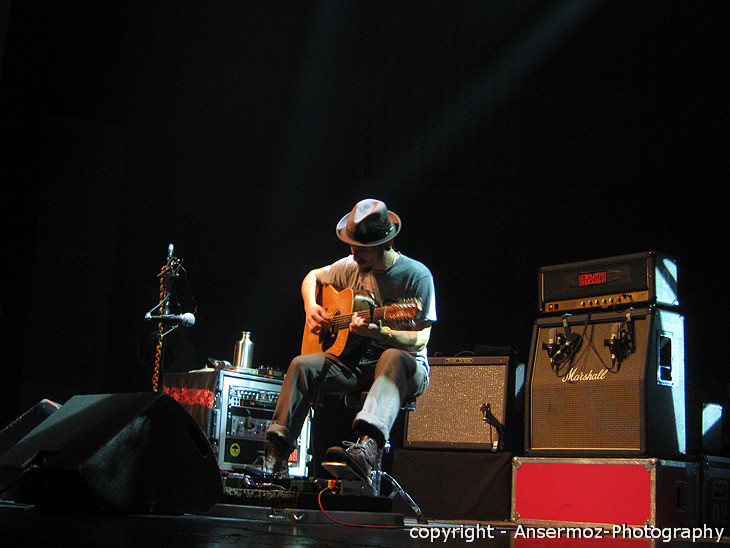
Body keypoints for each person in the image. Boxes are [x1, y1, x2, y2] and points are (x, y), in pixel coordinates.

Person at [259, 198, 437, 484]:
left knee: (393, 356)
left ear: (385, 244)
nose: (354, 254)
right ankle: (276, 454)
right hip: (357, 365)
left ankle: (368, 448)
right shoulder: (350, 267)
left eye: (362, 249)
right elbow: (312, 277)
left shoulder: (416, 277)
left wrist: (385, 334)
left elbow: (419, 340)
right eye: (352, 246)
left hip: (406, 368)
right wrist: (310, 307)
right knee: (302, 365)